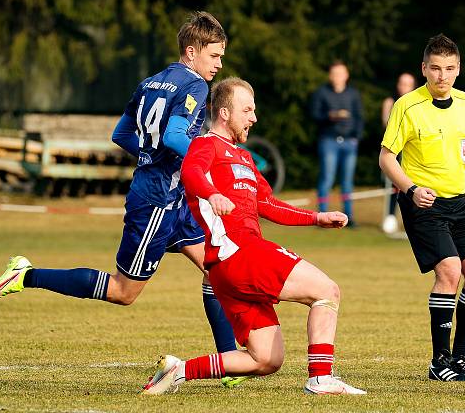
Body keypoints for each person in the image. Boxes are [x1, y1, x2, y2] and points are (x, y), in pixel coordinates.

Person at [0, 12, 246, 387]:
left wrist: (149, 153)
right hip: (156, 200)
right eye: (214, 56)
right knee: (124, 293)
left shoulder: (151, 83)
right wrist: (208, 157)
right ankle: (26, 275)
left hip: (174, 195)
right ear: (191, 52)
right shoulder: (195, 87)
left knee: (216, 267)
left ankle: (227, 363)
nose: (219, 64)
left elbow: (121, 133)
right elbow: (174, 136)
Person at [141, 77, 366, 395]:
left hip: (228, 269)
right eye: (247, 110)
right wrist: (212, 194)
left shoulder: (244, 158)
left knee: (267, 359)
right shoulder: (205, 145)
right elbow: (192, 173)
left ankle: (179, 370)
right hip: (238, 251)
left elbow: (268, 204)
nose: (254, 117)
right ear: (223, 113)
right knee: (327, 291)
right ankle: (321, 378)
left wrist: (317, 217)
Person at [379, 34, 465, 382]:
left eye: (450, 69)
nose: (442, 76)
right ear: (424, 69)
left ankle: (462, 357)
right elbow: (386, 158)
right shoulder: (407, 106)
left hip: (460, 202)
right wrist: (411, 189)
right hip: (422, 203)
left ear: (458, 69)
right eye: (436, 69)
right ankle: (439, 361)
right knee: (450, 271)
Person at [310, 60, 364, 226]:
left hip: (349, 142)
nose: (338, 77)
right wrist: (330, 116)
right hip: (329, 141)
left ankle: (349, 216)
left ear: (346, 75)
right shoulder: (321, 93)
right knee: (327, 177)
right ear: (330, 76)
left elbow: (359, 117)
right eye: (335, 74)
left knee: (347, 181)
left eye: (341, 73)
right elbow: (314, 115)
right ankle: (322, 215)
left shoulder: (353, 94)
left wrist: (356, 137)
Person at [381, 72, 416, 234]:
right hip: (396, 150)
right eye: (402, 83)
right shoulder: (391, 102)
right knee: (395, 184)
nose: (405, 87)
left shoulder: (419, 103)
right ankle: (390, 216)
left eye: (408, 84)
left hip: (414, 151)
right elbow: (387, 125)